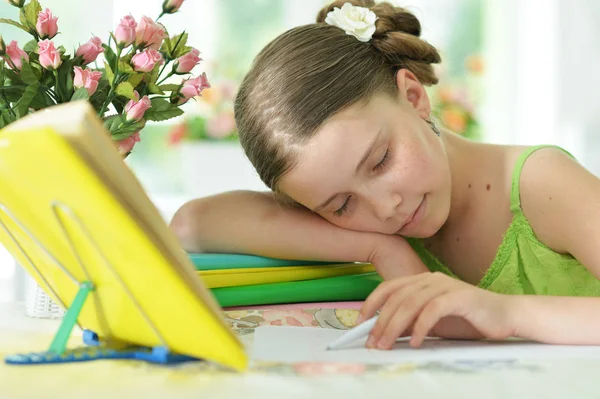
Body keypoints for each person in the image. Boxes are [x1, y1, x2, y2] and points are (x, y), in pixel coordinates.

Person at [169, 0, 600, 350]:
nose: (384, 207)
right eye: (340, 205)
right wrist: (380, 249)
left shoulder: (540, 184)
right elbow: (193, 224)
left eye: (380, 161)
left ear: (414, 98)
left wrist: (506, 313)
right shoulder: (381, 225)